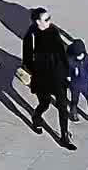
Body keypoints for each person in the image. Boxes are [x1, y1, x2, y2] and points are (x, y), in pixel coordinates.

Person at [20, 8, 75, 149]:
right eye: (46, 19)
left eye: (49, 17)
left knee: (62, 106)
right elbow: (27, 60)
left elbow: (62, 52)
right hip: (42, 77)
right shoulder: (31, 36)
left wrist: (67, 73)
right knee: (45, 103)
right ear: (38, 21)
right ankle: (36, 117)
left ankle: (64, 136)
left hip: (58, 75)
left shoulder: (53, 30)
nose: (50, 21)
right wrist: (37, 73)